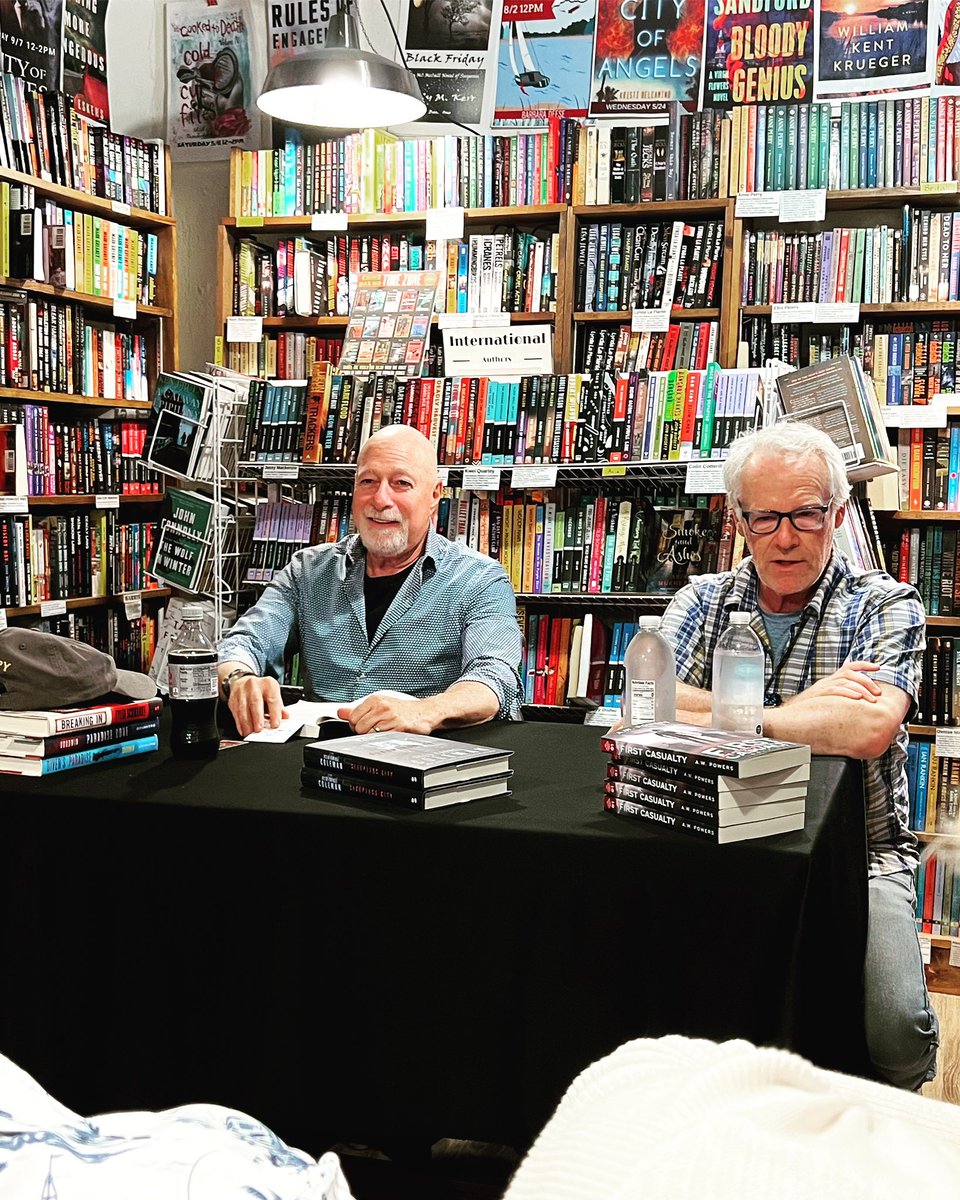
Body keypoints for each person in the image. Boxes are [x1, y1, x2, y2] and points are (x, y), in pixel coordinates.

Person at [658, 420, 939, 1092]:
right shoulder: (700, 600)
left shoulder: (886, 604)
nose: (784, 538)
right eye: (765, 518)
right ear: (739, 521)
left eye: (806, 514)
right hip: (717, 843)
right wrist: (801, 711)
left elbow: (869, 728)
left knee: (896, 1031)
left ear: (837, 514)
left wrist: (733, 717)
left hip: (860, 857)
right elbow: (649, 705)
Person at [218, 423, 523, 737]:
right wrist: (240, 680)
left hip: (420, 756)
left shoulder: (479, 580)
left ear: (434, 495)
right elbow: (244, 643)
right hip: (319, 754)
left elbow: (494, 678)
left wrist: (425, 710)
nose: (380, 499)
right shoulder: (307, 571)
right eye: (368, 481)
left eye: (401, 483)